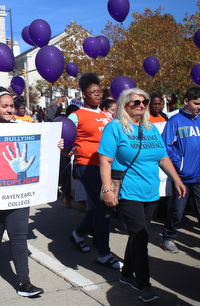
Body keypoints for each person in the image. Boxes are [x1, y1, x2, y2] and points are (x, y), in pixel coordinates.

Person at [98, 88, 186, 302]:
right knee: (141, 236)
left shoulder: (151, 129)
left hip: (150, 191)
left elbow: (163, 157)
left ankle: (127, 273)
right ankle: (144, 284)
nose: (141, 105)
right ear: (124, 105)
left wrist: (176, 179)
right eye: (135, 102)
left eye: (144, 101)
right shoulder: (114, 128)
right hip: (128, 192)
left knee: (139, 234)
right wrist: (108, 190)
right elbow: (105, 161)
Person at [0, 86, 44, 297]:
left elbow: (39, 147)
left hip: (18, 191)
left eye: (12, 106)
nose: (9, 110)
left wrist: (56, 144)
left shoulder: (24, 127)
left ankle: (23, 282)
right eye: (5, 106)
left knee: (18, 236)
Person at [65, 73, 121, 269]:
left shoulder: (107, 115)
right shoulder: (76, 115)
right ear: (84, 94)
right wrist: (65, 148)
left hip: (108, 167)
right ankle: (104, 254)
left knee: (98, 208)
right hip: (87, 166)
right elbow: (64, 136)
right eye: (93, 92)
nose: (98, 95)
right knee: (104, 207)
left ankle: (78, 235)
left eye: (100, 92)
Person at [160, 87, 200, 263]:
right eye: (196, 103)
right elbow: (166, 146)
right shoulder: (174, 121)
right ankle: (168, 237)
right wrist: (180, 163)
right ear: (186, 101)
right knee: (177, 208)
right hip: (182, 175)